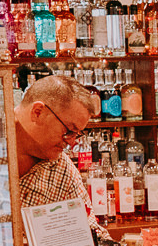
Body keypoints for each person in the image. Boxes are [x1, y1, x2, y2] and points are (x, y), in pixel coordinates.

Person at [12, 73, 97, 208]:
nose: (71, 142)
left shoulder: (62, 168)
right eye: (69, 131)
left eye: (76, 134)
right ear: (38, 112)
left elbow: (89, 225)